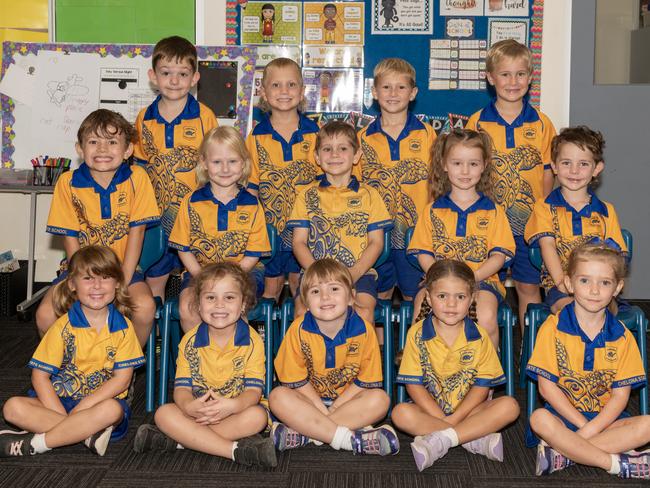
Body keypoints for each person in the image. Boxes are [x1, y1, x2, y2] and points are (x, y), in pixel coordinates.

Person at [1, 246, 145, 457]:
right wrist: (64, 416)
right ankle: (84, 436)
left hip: (97, 407)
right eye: (87, 278)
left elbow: (122, 381)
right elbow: (40, 377)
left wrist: (83, 408)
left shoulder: (124, 328)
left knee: (112, 410)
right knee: (12, 407)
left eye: (105, 277)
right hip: (58, 403)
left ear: (117, 284)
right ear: (72, 284)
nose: (97, 285)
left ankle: (37, 443)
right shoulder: (62, 327)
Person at [133, 262, 277, 467]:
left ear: (243, 304)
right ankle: (234, 451)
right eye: (210, 298)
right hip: (198, 413)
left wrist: (233, 405)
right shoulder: (189, 341)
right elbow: (182, 389)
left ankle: (179, 440)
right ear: (199, 305)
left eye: (229, 297)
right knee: (163, 413)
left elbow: (253, 392)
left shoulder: (253, 342)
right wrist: (189, 406)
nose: (219, 305)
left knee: (257, 417)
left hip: (234, 412)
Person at [37, 109, 159, 346]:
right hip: (78, 270)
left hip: (124, 269)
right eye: (93, 142)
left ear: (127, 150)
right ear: (80, 149)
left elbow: (138, 231)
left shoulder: (138, 178)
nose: (102, 149)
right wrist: (80, 277)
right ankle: (68, 368)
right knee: (45, 314)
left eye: (112, 142)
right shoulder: (68, 182)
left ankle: (126, 367)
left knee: (144, 308)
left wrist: (122, 278)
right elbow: (70, 237)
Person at [527, 244, 650, 479]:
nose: (594, 290)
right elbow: (546, 388)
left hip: (606, 422)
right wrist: (583, 424)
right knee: (538, 418)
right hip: (561, 419)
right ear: (569, 284)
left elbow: (620, 398)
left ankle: (564, 454)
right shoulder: (552, 329)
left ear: (617, 288)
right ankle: (614, 463)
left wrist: (589, 431)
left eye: (604, 282)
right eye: (585, 281)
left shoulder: (623, 337)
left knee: (648, 425)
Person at [392, 259, 520, 471]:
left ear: (472, 299)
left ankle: (444, 439)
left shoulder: (479, 336)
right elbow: (414, 387)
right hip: (429, 412)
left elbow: (482, 387)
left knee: (510, 406)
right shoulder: (416, 333)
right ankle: (471, 438)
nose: (451, 304)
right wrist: (443, 418)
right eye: (442, 296)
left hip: (470, 410)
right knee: (400, 413)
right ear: (429, 299)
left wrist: (456, 418)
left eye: (460, 297)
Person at [466, 39, 557, 331]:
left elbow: (547, 171)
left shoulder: (542, 123)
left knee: (527, 287)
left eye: (520, 74)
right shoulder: (476, 122)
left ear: (530, 78)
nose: (512, 81)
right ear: (491, 78)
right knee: (481, 285)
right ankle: (480, 349)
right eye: (504, 74)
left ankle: (528, 350)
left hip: (527, 224)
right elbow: (468, 172)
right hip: (487, 223)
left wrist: (543, 212)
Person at [269, 259, 398, 456]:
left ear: (351, 297)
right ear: (306, 302)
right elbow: (294, 380)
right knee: (277, 397)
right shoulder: (297, 330)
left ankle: (308, 433)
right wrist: (320, 408)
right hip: (308, 402)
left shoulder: (364, 330)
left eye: (334, 289)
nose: (325, 297)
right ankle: (350, 439)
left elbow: (365, 382)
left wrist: (335, 407)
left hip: (349, 403)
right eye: (315, 292)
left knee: (381, 400)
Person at [407, 129, 514, 348]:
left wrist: (469, 278)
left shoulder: (494, 212)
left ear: (484, 165)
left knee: (485, 317)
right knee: (420, 309)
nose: (465, 171)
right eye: (457, 163)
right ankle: (428, 375)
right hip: (439, 284)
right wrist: (442, 280)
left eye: (473, 164)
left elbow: (498, 257)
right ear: (444, 165)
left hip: (481, 283)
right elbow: (423, 253)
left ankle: (486, 376)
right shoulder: (431, 211)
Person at [133, 35, 218, 300]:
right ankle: (158, 340)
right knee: (154, 279)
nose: (174, 80)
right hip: (156, 217)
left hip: (195, 216)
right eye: (166, 73)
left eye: (182, 74)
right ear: (153, 76)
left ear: (194, 78)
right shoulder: (144, 118)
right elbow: (140, 166)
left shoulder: (205, 116)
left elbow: (215, 164)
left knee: (196, 282)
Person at [287, 120, 392, 324]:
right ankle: (309, 356)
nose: (334, 154)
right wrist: (318, 275)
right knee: (301, 313)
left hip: (359, 274)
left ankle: (357, 357)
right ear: (317, 157)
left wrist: (354, 273)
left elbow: (376, 243)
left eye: (343, 148)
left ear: (356, 155)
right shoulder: (306, 195)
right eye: (327, 149)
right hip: (314, 274)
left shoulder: (370, 195)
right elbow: (298, 242)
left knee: (363, 313)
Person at [169, 126, 271, 332]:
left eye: (232, 161)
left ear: (243, 164)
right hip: (199, 271)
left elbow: (254, 253)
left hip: (244, 272)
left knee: (234, 306)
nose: (225, 169)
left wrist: (228, 280)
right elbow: (183, 248)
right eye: (217, 162)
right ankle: (198, 359)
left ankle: (233, 361)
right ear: (204, 163)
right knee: (188, 307)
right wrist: (202, 277)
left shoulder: (252, 204)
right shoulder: (191, 202)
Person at [358, 58, 436, 304]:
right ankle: (381, 345)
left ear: (413, 93)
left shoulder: (427, 134)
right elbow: (356, 191)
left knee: (417, 296)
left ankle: (410, 343)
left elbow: (438, 183)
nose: (393, 94)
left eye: (401, 87)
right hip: (375, 237)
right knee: (378, 297)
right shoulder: (362, 138)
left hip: (416, 234)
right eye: (386, 87)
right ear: (374, 92)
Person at [524, 126, 627, 313]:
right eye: (566, 163)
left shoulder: (606, 211)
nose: (574, 170)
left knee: (604, 314)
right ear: (554, 166)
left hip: (599, 289)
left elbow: (617, 255)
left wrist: (603, 287)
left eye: (583, 164)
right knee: (570, 312)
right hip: (561, 287)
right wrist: (562, 283)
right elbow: (547, 247)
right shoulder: (544, 207)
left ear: (597, 168)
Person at [245, 57, 320, 301]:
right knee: (271, 290)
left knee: (304, 289)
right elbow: (251, 189)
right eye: (276, 85)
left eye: (291, 85)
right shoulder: (256, 137)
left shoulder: (317, 134)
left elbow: (325, 187)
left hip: (308, 231)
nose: (284, 91)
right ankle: (269, 339)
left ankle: (300, 337)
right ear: (264, 93)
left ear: (302, 91)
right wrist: (251, 229)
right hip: (270, 231)